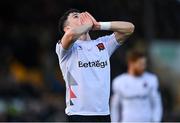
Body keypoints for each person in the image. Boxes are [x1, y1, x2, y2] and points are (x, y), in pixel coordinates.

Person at [56, 9, 134, 122]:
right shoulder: (65, 49)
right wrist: (87, 25)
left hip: (103, 113)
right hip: (79, 114)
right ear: (67, 28)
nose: (82, 16)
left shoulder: (103, 44)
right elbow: (70, 36)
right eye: (76, 16)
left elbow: (129, 28)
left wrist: (99, 25)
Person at [111, 51, 163, 122]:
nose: (143, 67)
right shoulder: (119, 82)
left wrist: (156, 120)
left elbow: (157, 103)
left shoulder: (152, 80)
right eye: (140, 64)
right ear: (131, 63)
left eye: (144, 64)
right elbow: (115, 107)